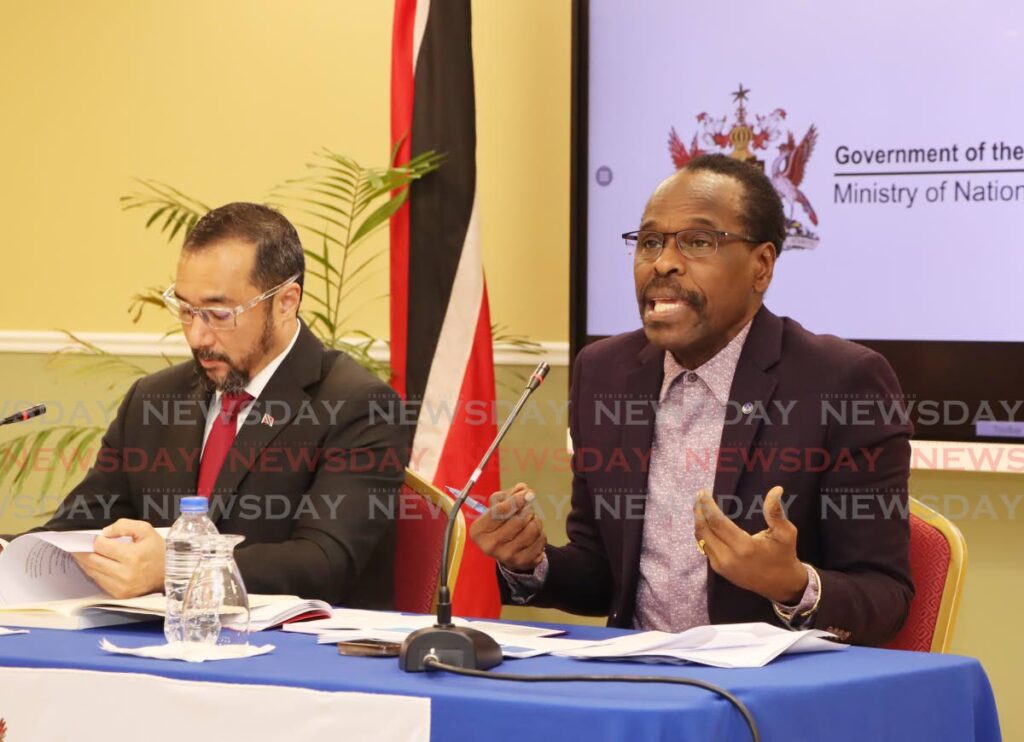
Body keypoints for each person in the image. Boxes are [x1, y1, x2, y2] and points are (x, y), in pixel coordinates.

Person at [472, 154, 914, 646]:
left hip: (769, 694)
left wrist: (791, 584)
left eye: (699, 242)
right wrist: (532, 563)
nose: (662, 262)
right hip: (635, 682)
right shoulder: (605, 372)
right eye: (649, 242)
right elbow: (603, 575)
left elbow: (887, 597)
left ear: (761, 266)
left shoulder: (843, 381)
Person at [2, 203, 407, 608]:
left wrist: (178, 565)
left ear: (285, 302)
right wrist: (8, 551)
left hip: (294, 655)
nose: (197, 336)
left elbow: (324, 563)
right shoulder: (154, 398)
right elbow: (82, 525)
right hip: (151, 642)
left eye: (218, 314)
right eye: (186, 310)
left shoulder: (357, 405)